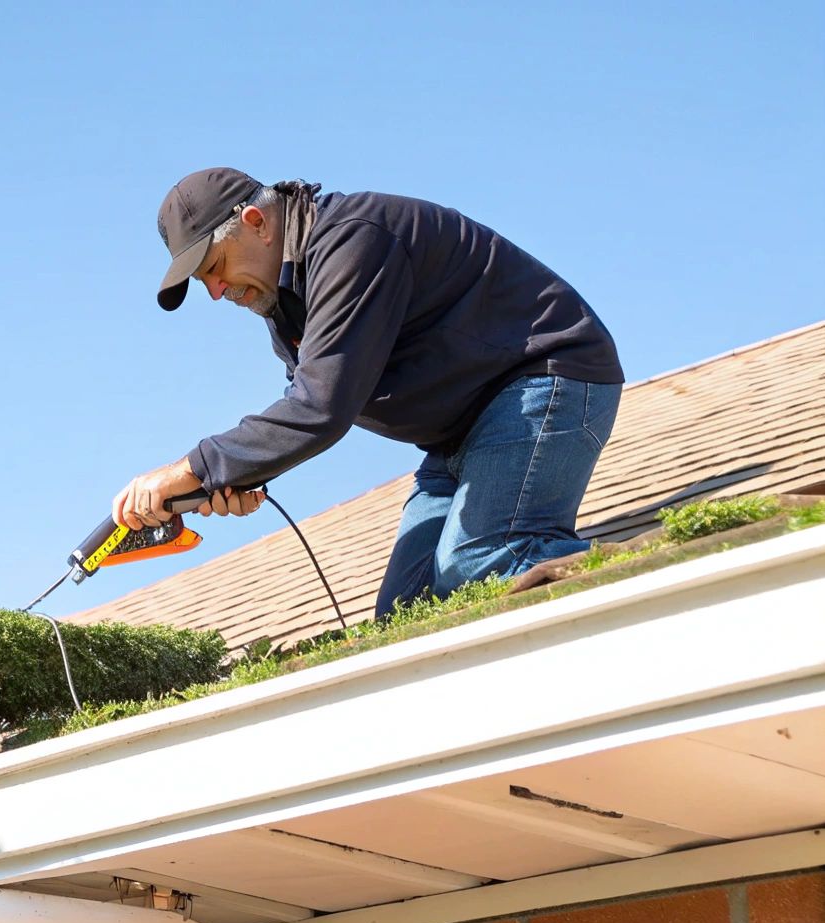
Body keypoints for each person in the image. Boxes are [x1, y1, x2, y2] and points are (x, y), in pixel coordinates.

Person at [113, 168, 624, 616]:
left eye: (214, 267)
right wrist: (234, 477)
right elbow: (305, 408)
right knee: (408, 611)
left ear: (256, 222)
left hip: (543, 382)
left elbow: (320, 407)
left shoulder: (353, 239)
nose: (217, 291)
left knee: (480, 563)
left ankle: (679, 553)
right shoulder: (287, 301)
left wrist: (190, 469)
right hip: (462, 437)